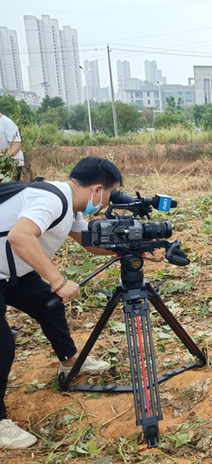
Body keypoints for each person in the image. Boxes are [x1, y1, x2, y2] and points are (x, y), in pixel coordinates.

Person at [0, 157, 123, 449]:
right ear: (97, 189)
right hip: (7, 267)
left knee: (48, 306)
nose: (105, 204)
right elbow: (19, 236)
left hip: (13, 271)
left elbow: (88, 242)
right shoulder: (50, 199)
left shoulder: (70, 206)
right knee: (2, 344)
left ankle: (69, 362)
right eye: (109, 195)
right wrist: (58, 280)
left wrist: (128, 245)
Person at [0, 112, 24, 181]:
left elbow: (16, 145)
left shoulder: (7, 124)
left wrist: (4, 157)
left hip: (13, 163)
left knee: (7, 188)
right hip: (2, 163)